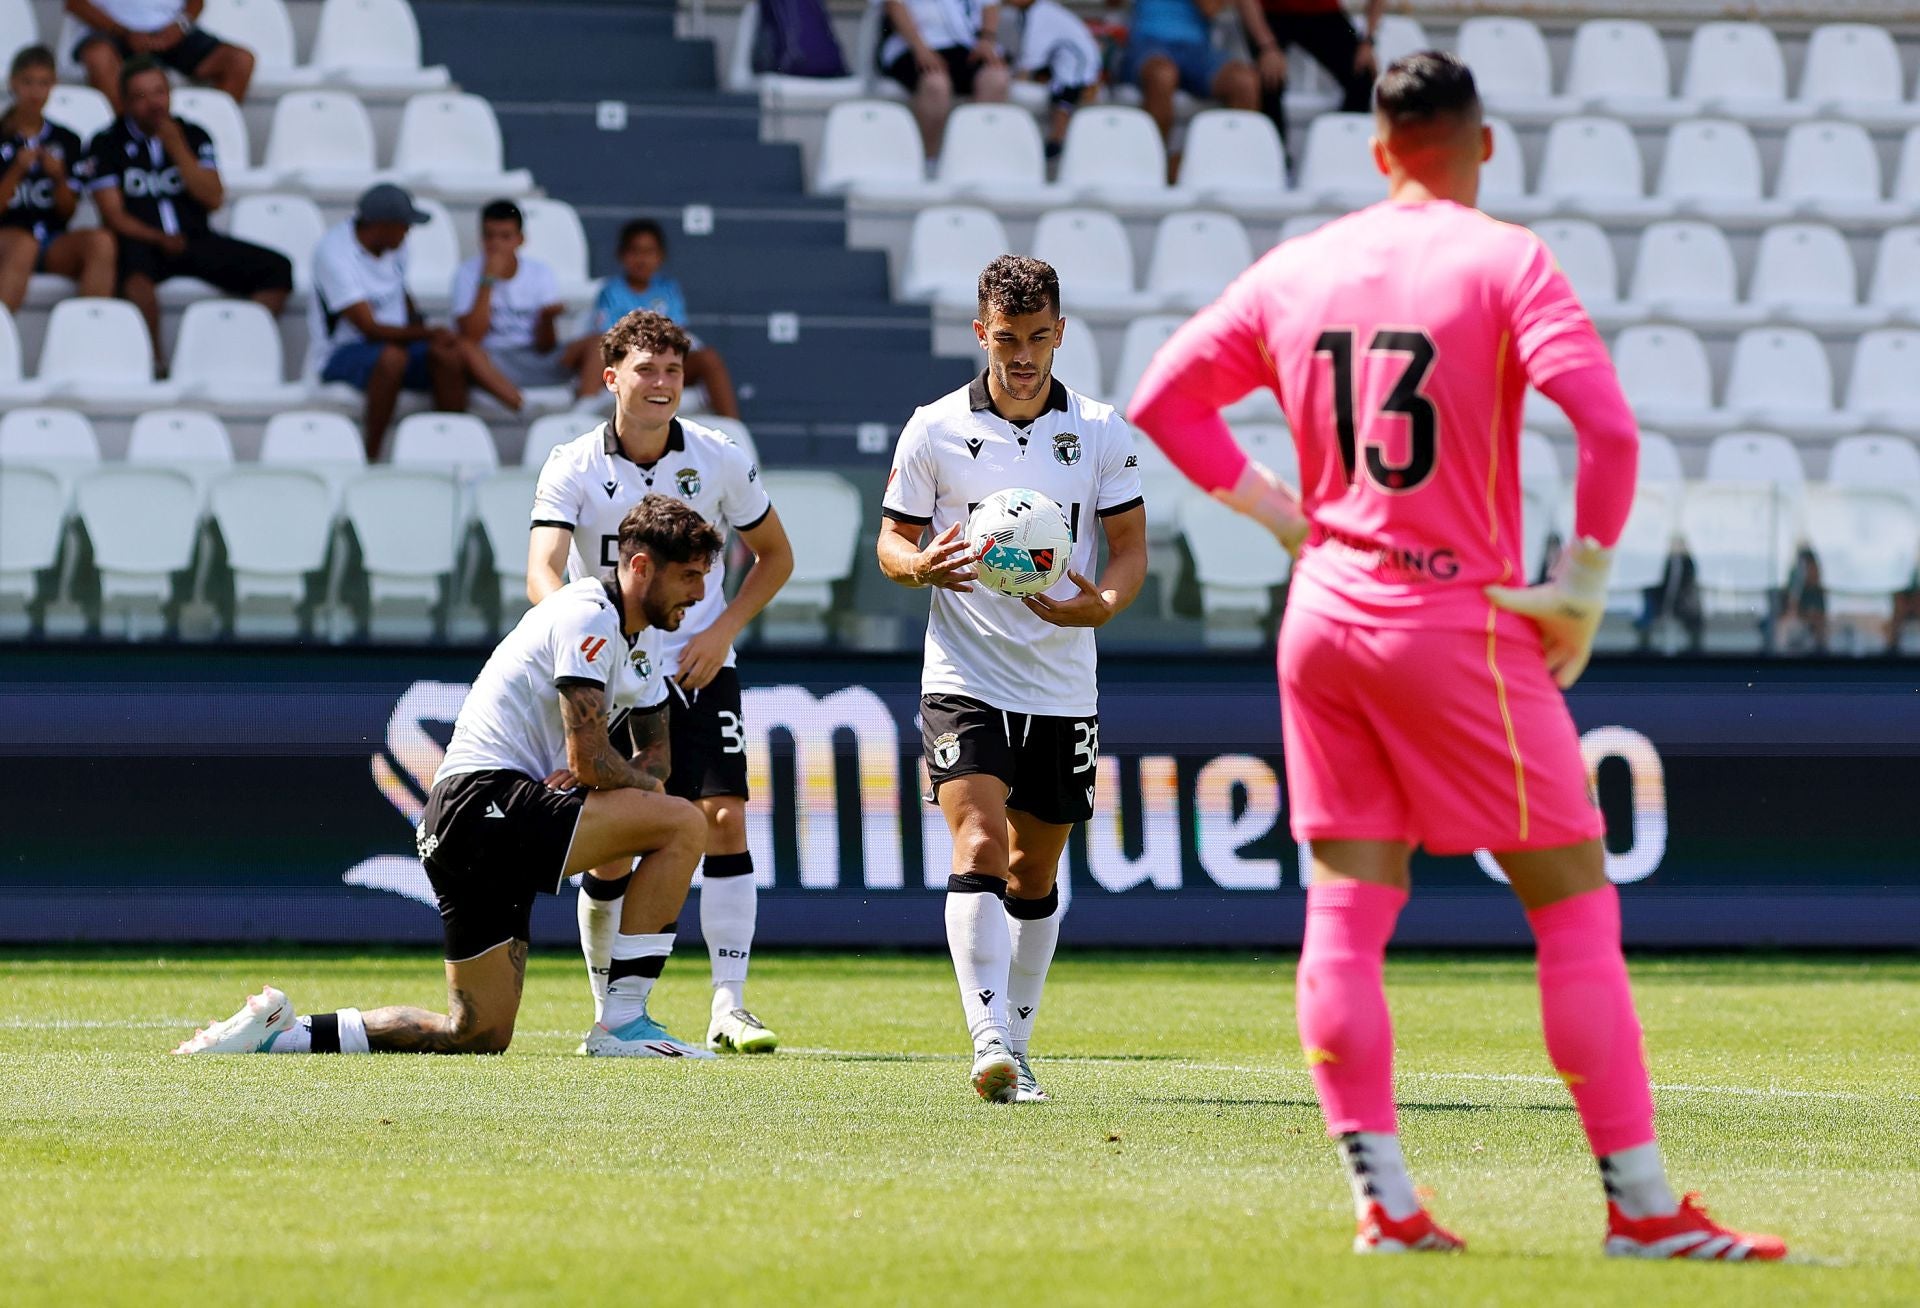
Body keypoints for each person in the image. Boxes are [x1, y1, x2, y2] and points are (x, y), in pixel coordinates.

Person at [1126, 52, 1786, 1261]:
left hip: (1323, 616)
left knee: (1347, 911)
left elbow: (1164, 401)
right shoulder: (1505, 259)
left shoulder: (1300, 266)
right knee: (1574, 904)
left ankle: (1382, 1202)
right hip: (1452, 619)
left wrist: (1282, 515)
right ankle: (1641, 1210)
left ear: (1379, 151)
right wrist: (1579, 592)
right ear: (1483, 146)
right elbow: (1609, 427)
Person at [175, 495, 725, 1060]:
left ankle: (281, 1035)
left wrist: (618, 775)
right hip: (484, 804)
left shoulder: (647, 637)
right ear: (639, 567)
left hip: (469, 821)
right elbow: (592, 762)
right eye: (688, 576)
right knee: (682, 823)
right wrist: (608, 775)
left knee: (477, 1033)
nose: (701, 594)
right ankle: (623, 1023)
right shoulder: (588, 614)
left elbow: (655, 757)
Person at [877, 255, 1145, 1103]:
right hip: (964, 671)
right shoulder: (934, 428)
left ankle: (1018, 1045)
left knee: (1034, 874)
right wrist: (920, 566)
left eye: (1037, 339)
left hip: (1063, 681)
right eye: (1006, 339)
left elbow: (1131, 551)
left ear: (1060, 333)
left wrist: (1102, 603)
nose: (1022, 355)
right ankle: (987, 1036)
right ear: (979, 333)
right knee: (980, 846)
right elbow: (890, 545)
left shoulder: (1100, 429)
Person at [530, 310, 796, 1054]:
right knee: (615, 845)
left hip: (698, 665)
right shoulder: (573, 463)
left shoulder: (719, 455)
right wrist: (588, 648)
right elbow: (542, 568)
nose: (662, 384)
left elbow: (775, 556)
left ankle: (730, 1005)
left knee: (724, 819)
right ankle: (609, 1007)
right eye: (646, 369)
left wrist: (721, 631)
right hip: (610, 676)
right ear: (610, 377)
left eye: (674, 371)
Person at [80, 55, 289, 369]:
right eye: (141, 96)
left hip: (193, 237)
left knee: (278, 269)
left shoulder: (193, 135)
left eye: (159, 92)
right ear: (124, 101)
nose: (153, 103)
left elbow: (214, 198)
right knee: (135, 281)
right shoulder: (106, 143)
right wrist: (157, 237)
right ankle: (154, 361)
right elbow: (112, 214)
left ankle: (238, 351)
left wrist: (177, 147)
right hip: (141, 240)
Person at [309, 183, 515, 459]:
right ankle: (373, 456)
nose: (409, 231)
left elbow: (400, 294)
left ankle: (452, 451)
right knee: (392, 358)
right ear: (382, 225)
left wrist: (430, 333)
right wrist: (427, 333)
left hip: (395, 344)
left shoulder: (395, 245)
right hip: (341, 353)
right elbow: (369, 329)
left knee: (447, 354)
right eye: (404, 225)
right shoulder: (333, 254)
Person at [564, 218, 738, 419]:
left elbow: (677, 335)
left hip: (664, 363)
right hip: (624, 365)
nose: (642, 259)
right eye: (635, 251)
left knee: (709, 358)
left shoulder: (669, 289)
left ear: (660, 256)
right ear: (621, 255)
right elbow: (609, 340)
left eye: (649, 252)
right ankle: (580, 419)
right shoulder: (611, 291)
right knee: (597, 347)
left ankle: (733, 430)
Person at [0, 45, 114, 312]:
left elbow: (67, 211)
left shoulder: (67, 140)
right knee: (23, 245)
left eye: (43, 83)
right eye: (27, 82)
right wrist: (16, 170)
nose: (35, 92)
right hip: (7, 238)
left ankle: (88, 335)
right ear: (13, 82)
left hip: (50, 239)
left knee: (101, 242)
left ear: (54, 85)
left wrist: (59, 177)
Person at [451, 199, 569, 409]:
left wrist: (547, 319)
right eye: (489, 236)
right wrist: (487, 281)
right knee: (460, 348)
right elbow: (471, 337)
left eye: (505, 236)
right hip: (490, 360)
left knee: (597, 343)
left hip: (532, 356)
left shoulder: (541, 272)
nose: (496, 244)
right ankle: (521, 405)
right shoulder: (467, 273)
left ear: (520, 239)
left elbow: (545, 346)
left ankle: (584, 408)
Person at [1240, 0, 1382, 160]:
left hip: (1326, 13)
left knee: (1364, 74)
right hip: (1271, 13)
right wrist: (1266, 46)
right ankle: (1274, 158)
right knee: (1269, 77)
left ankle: (1337, 152)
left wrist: (1368, 41)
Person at [880, 0, 1011, 158]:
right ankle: (928, 160)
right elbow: (894, 6)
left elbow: (989, 4)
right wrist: (920, 49)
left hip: (966, 45)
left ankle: (977, 157)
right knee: (936, 85)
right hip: (913, 47)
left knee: (996, 78)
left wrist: (987, 39)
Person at [66, 0, 254, 110]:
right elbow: (74, 4)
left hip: (171, 30)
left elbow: (197, 2)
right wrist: (123, 32)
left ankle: (206, 141)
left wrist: (179, 27)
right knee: (98, 57)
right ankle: (125, 138)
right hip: (111, 30)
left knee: (240, 61)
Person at [1123, 0, 1259, 150]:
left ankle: (1231, 164)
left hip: (1197, 49)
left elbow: (1210, 9)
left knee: (1244, 81)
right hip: (1149, 42)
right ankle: (1152, 164)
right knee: (1162, 75)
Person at [1006, 0, 1101, 160]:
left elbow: (1033, 55)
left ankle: (1057, 140)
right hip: (1057, 59)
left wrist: (1018, 77)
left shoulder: (1041, 12)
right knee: (1058, 86)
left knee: (1065, 90)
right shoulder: (1026, 13)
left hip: (1077, 58)